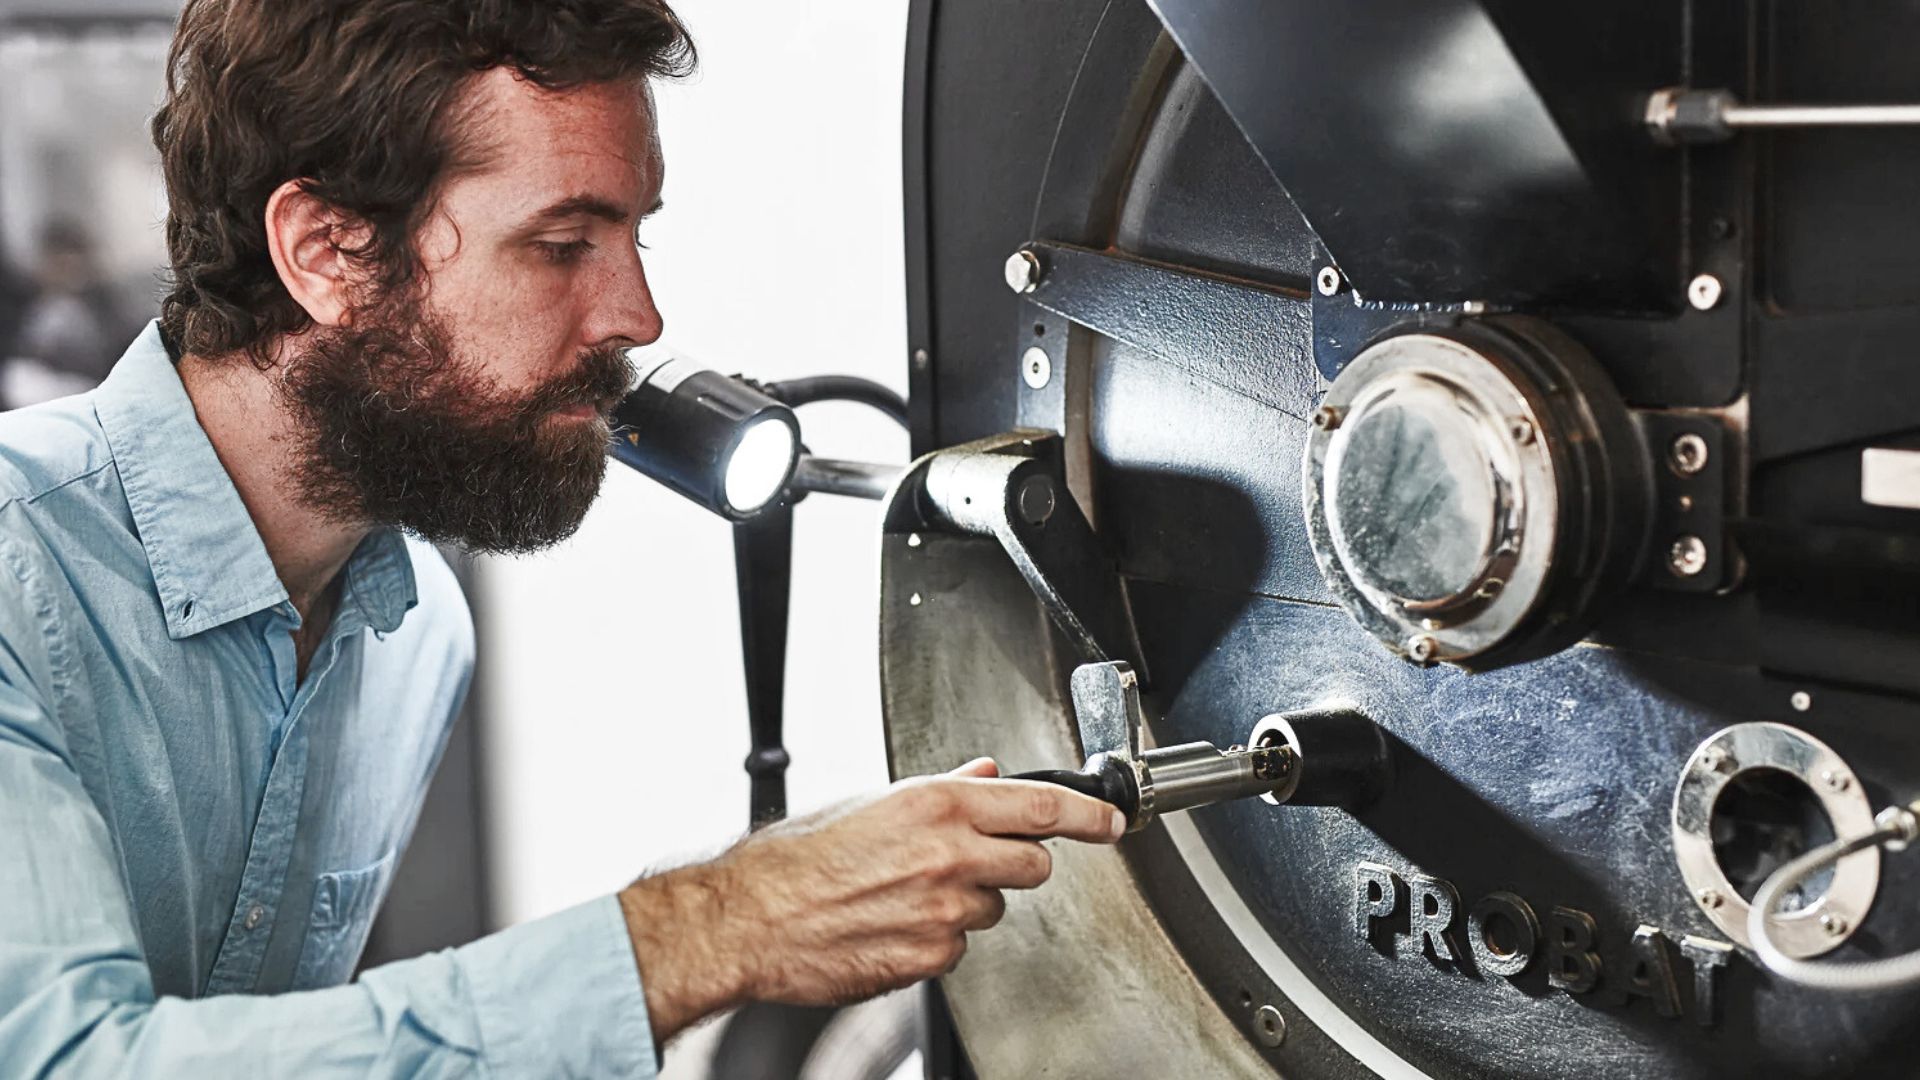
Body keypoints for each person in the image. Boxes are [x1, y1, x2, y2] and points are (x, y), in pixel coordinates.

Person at [0, 1, 1124, 1075]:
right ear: (326, 251)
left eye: (634, 234)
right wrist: (712, 926)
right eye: (562, 243)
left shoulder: (414, 636)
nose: (639, 316)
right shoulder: (17, 576)